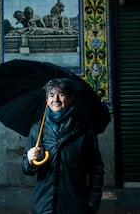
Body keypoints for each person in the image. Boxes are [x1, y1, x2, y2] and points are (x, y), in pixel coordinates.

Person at [22, 78, 104, 214]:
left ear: (70, 98)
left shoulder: (84, 130)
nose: (56, 99)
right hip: (45, 205)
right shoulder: (37, 130)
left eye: (61, 94)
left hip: (75, 204)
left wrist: (92, 201)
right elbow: (26, 169)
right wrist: (30, 162)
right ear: (47, 101)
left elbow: (97, 168)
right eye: (51, 95)